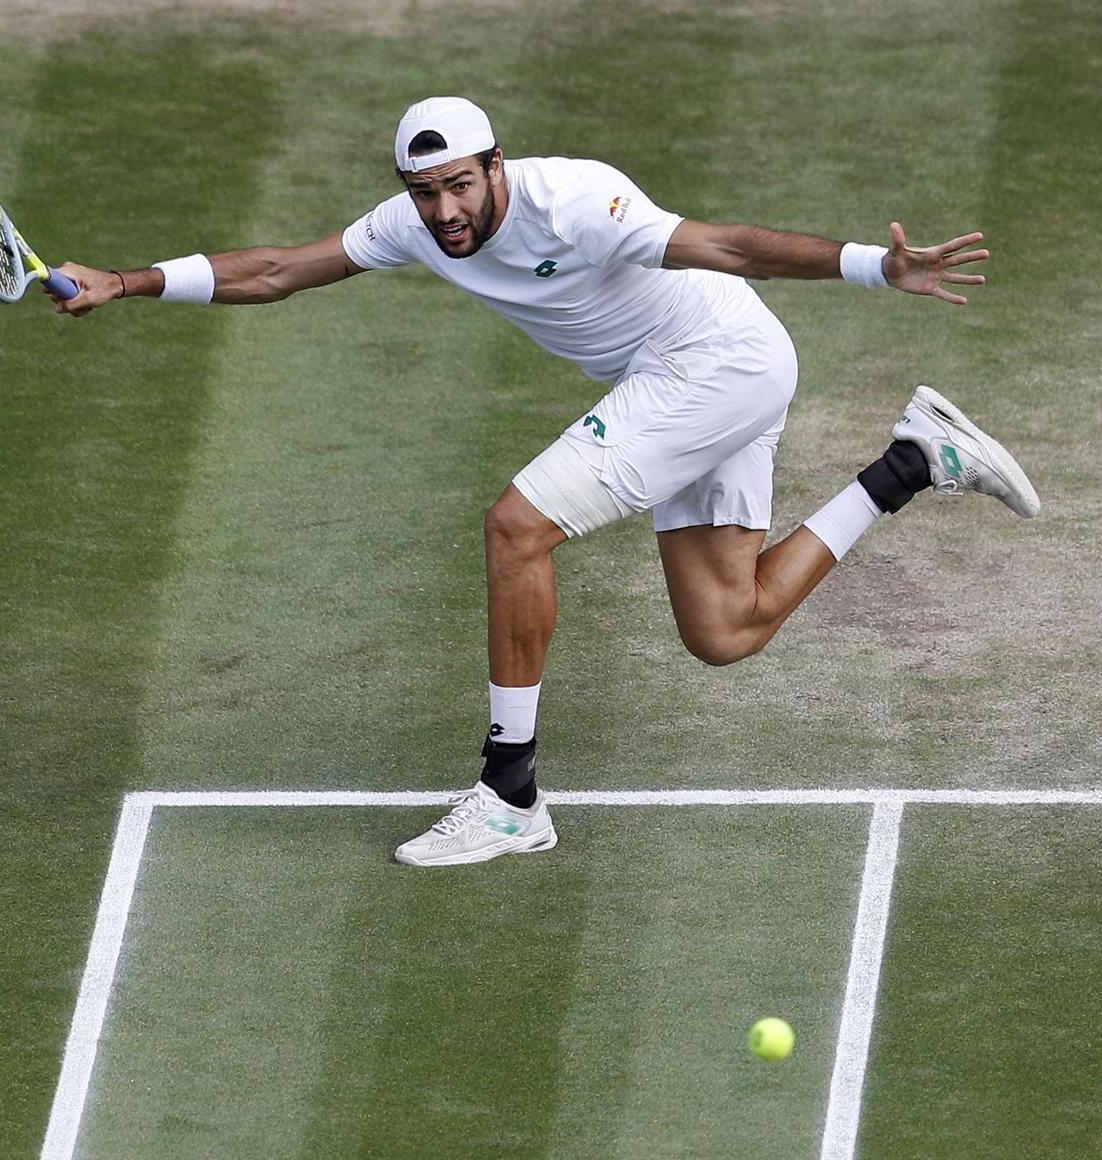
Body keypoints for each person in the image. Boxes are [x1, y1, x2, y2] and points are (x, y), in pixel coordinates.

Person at [50, 96, 1038, 867]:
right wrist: (126, 283)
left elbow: (729, 247)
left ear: (494, 167)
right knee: (724, 627)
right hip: (689, 373)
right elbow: (274, 269)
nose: (443, 210)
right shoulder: (412, 223)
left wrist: (876, 267)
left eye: (459, 187)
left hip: (714, 362)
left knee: (515, 528)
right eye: (424, 191)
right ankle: (914, 458)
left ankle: (509, 795)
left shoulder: (580, 202)